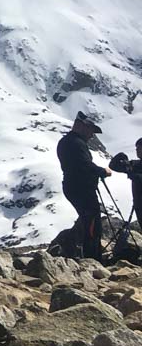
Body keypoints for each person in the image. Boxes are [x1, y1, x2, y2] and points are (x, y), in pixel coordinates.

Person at [57, 111, 110, 261]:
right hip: (81, 189)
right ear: (80, 126)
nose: (92, 135)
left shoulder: (67, 142)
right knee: (92, 223)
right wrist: (102, 171)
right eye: (90, 130)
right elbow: (84, 165)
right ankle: (92, 258)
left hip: (73, 187)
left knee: (88, 221)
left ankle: (84, 253)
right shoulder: (75, 143)